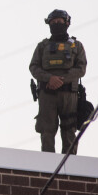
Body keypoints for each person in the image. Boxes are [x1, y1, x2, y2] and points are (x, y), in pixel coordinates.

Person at [29, 9, 87, 154]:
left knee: (69, 130)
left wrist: (61, 80)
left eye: (59, 22)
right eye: (53, 22)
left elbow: (81, 68)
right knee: (47, 130)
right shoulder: (42, 46)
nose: (56, 24)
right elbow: (33, 67)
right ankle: (48, 165)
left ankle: (70, 166)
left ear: (66, 23)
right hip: (47, 93)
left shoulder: (76, 45)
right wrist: (50, 79)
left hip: (69, 95)